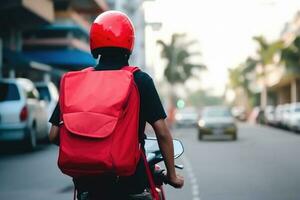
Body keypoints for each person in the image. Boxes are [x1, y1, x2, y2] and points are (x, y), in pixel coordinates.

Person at [48, 10, 184, 199]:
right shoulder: (140, 80)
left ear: (94, 44)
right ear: (129, 43)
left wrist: (85, 150)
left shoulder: (75, 82)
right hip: (130, 183)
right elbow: (162, 132)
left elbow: (54, 134)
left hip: (88, 185)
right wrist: (172, 175)